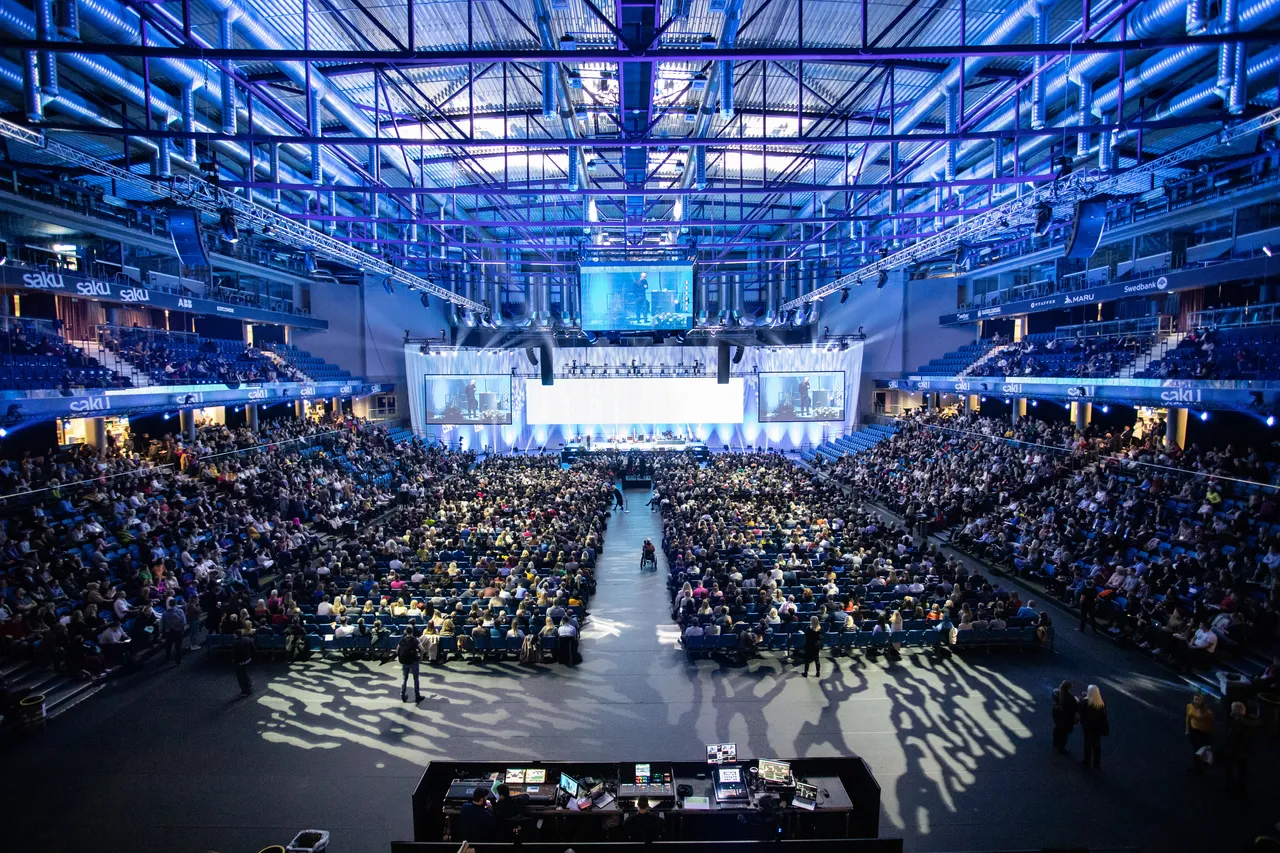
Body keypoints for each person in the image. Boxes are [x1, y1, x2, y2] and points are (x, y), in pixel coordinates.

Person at [1222, 701, 1260, 797]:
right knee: (1242, 771)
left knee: (1230, 770)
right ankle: (1241, 789)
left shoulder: (1237, 724)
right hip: (1246, 752)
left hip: (1234, 752)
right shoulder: (1252, 723)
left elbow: (1231, 739)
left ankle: (1231, 790)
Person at [1078, 684, 1109, 769]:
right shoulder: (1102, 703)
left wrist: (1083, 698)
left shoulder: (1086, 703)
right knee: (1097, 744)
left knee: (1087, 744)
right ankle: (1097, 764)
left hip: (1088, 727)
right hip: (1098, 727)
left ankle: (1087, 761)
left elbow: (1081, 711)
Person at [1186, 692, 1215, 774]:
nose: (1197, 701)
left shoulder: (1207, 712)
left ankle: (1202, 768)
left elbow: (1210, 724)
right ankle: (1196, 766)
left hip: (1203, 733)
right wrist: (1187, 729)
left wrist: (1210, 735)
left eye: (1199, 700)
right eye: (1195, 699)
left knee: (1201, 751)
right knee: (1195, 750)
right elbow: (1188, 718)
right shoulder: (1189, 706)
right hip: (1193, 730)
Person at [1051, 680, 1079, 755]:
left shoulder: (1058, 693)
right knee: (1064, 733)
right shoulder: (1071, 698)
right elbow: (1076, 708)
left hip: (1057, 715)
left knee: (1057, 728)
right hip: (1066, 718)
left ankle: (1055, 742)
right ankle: (1061, 748)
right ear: (1069, 688)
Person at [397, 626, 424, 703]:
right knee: (416, 679)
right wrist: (421, 657)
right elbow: (422, 649)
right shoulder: (415, 640)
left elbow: (397, 650)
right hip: (414, 661)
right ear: (412, 631)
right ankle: (417, 696)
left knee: (404, 678)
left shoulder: (402, 639)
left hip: (404, 662)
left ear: (406, 631)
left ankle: (402, 695)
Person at [161, 596, 187, 665]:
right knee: (178, 646)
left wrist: (162, 632)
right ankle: (178, 660)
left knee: (168, 646)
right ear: (175, 604)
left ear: (169, 604)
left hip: (168, 632)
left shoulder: (165, 614)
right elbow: (184, 622)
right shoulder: (180, 611)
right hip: (178, 631)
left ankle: (168, 659)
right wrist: (181, 628)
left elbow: (162, 623)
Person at [232, 628, 254, 697]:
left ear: (236, 635)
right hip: (247, 659)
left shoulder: (236, 643)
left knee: (241, 677)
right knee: (245, 674)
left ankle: (245, 691)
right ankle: (249, 687)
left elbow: (234, 654)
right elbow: (253, 648)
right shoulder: (247, 639)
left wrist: (234, 661)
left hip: (240, 662)